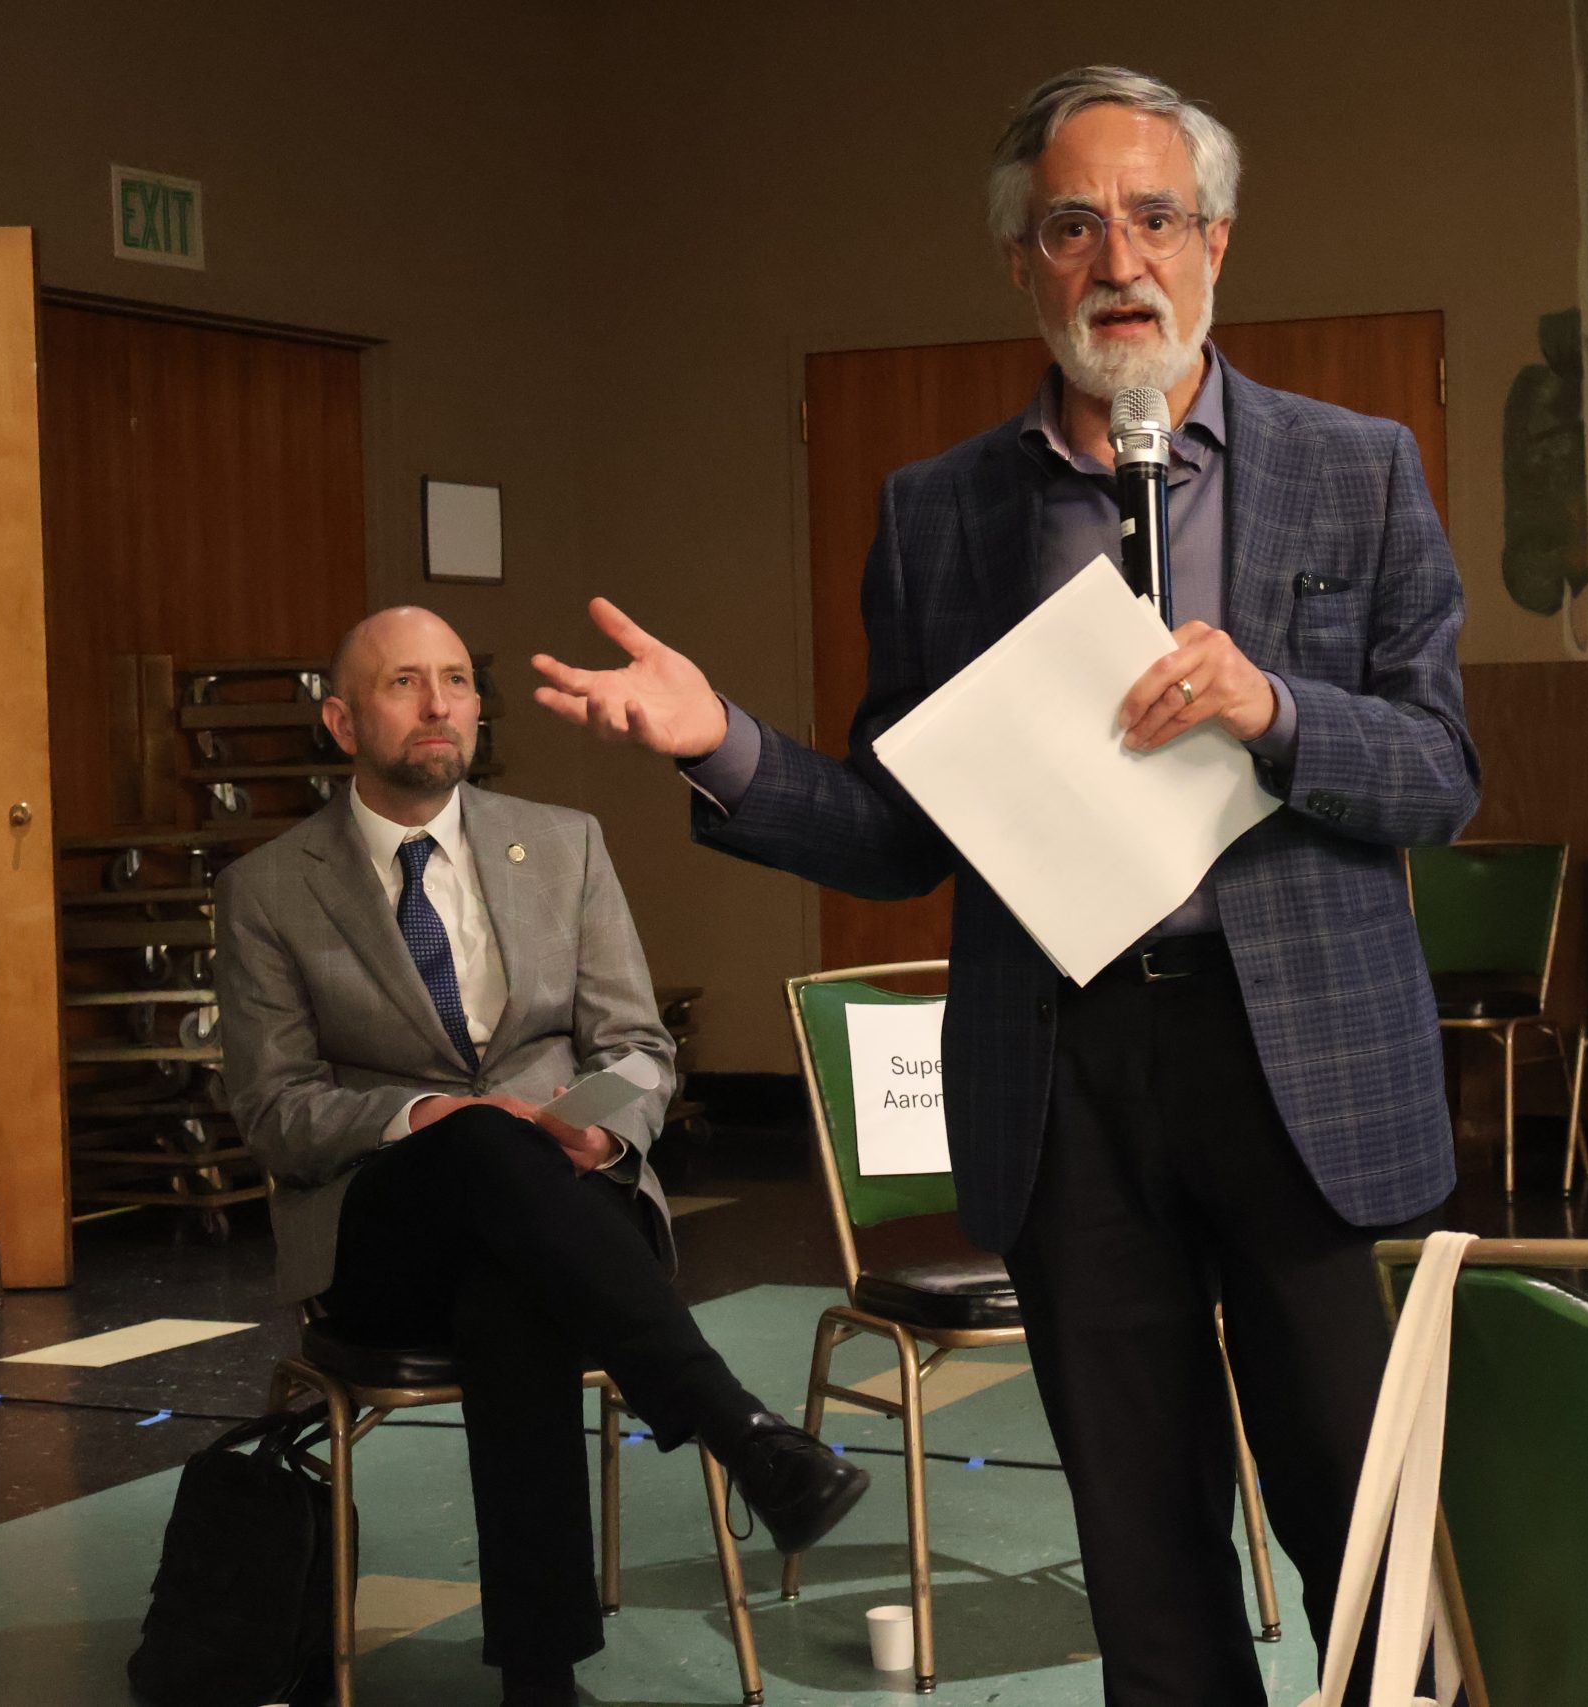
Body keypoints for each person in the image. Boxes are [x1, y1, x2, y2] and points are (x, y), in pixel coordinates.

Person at [530, 65, 1478, 1707]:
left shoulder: (1359, 467)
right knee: (1143, 1549)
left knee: (1370, 1524)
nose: (1122, 257)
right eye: (1073, 225)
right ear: (1024, 263)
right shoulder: (941, 513)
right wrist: (721, 744)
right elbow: (902, 831)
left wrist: (1276, 709)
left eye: (1156, 217)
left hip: (1305, 1067)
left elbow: (1441, 772)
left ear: (1217, 242)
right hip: (1065, 1074)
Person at [215, 607, 868, 1707]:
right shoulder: (269, 888)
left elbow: (639, 1047)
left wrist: (603, 1126)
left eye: (457, 680)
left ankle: (541, 1677)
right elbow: (276, 1111)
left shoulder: (564, 844)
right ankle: (741, 1429)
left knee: (513, 1291)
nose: (438, 704)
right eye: (403, 683)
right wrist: (425, 1118)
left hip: (563, 1200)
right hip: (386, 1232)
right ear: (341, 722)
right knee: (478, 1139)